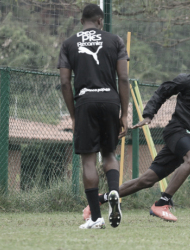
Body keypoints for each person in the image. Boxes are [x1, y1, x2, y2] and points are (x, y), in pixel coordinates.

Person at [83, 48, 190, 222]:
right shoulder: (187, 80)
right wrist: (148, 115)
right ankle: (162, 203)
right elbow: (163, 91)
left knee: (146, 180)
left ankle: (98, 201)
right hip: (177, 130)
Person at [57, 4, 129, 229]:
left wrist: (73, 114)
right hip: (110, 101)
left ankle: (96, 218)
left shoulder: (69, 43)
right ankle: (114, 192)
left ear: (82, 21)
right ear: (101, 21)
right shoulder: (115, 40)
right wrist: (124, 113)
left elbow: (64, 82)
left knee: (88, 159)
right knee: (109, 154)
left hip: (85, 102)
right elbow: (124, 78)